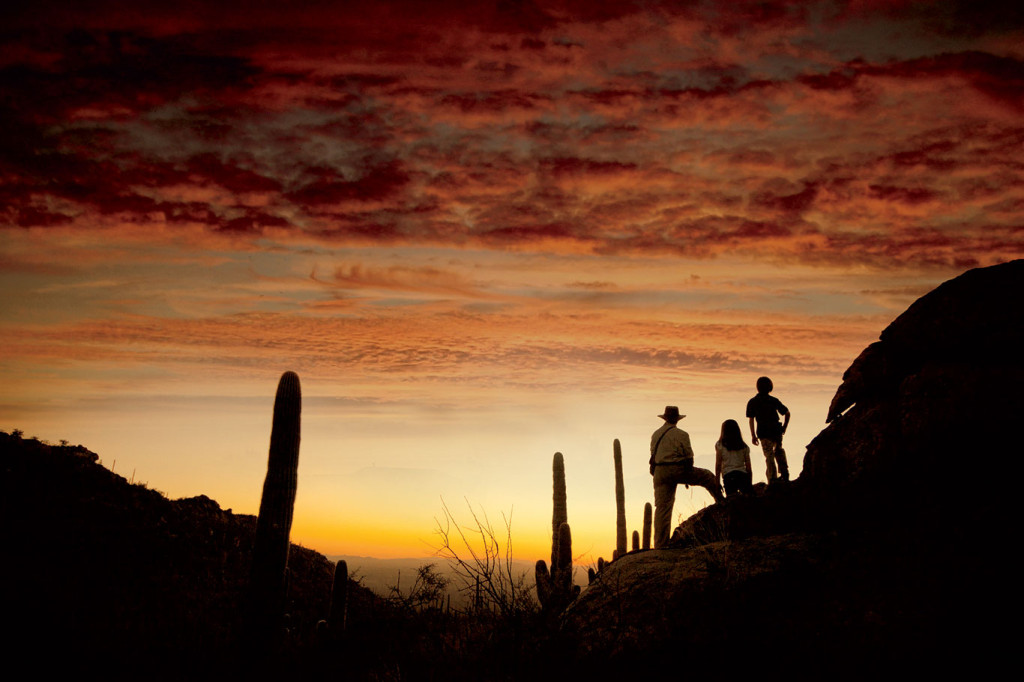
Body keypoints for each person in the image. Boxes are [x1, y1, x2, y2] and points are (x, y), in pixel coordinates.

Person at [650, 406, 724, 548]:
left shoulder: (655, 434)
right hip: (677, 469)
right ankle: (721, 502)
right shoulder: (682, 434)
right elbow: (689, 458)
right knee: (707, 476)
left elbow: (653, 456)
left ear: (665, 418)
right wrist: (688, 476)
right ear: (677, 419)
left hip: (660, 471)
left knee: (662, 508)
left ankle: (660, 544)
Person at [746, 376, 791, 483]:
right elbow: (787, 413)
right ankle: (784, 473)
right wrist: (784, 427)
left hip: (763, 432)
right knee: (779, 451)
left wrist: (753, 435)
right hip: (776, 430)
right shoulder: (773, 400)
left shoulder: (753, 402)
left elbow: (751, 420)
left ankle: (772, 478)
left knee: (769, 455)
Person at [715, 419, 753, 497]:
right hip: (742, 475)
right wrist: (749, 483)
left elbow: (718, 465)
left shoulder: (720, 445)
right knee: (748, 500)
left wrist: (717, 483)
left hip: (728, 476)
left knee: (732, 500)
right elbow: (748, 468)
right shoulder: (744, 447)